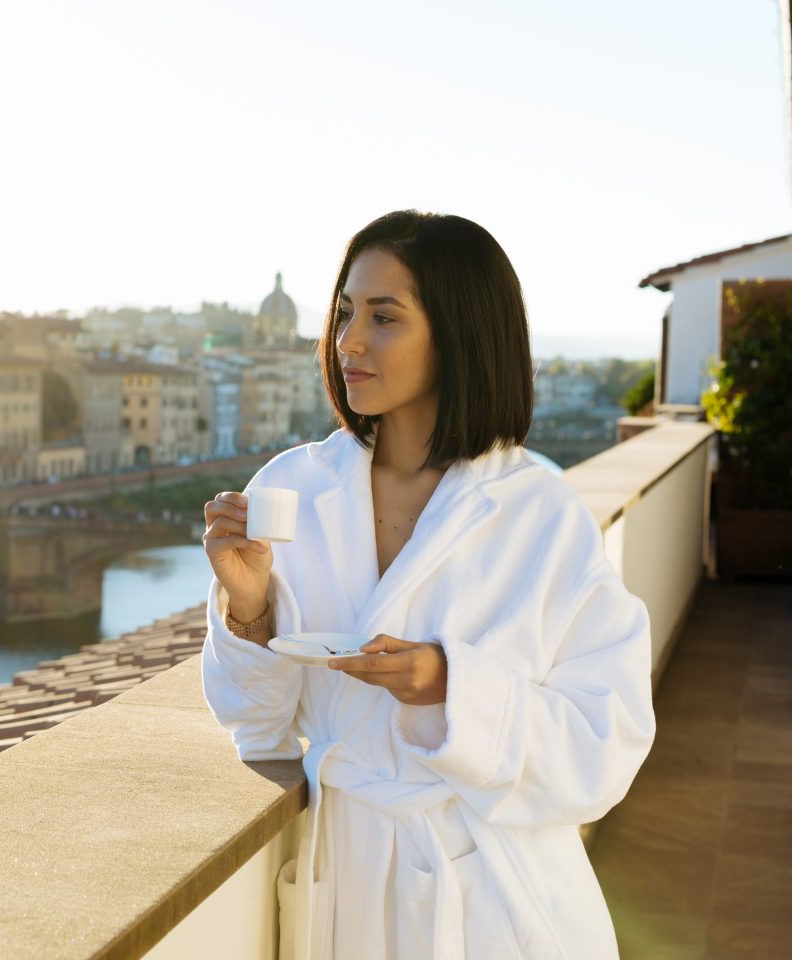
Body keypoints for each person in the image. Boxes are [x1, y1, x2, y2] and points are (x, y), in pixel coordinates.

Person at [201, 210, 655, 960]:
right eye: (346, 312)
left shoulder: (539, 516)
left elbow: (606, 747)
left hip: (493, 907)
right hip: (342, 887)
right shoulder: (292, 490)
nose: (348, 341)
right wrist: (249, 612)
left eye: (385, 318)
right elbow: (257, 729)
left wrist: (451, 688)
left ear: (460, 334)